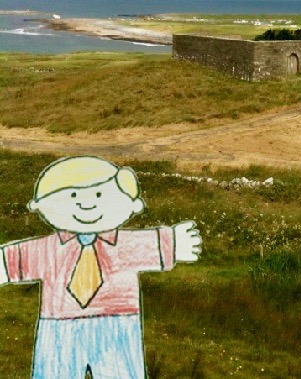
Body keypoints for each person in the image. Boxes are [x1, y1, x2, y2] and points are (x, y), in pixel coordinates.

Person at [0, 156, 202, 379]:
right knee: (54, 373)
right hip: (58, 328)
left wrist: (173, 242)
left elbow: (150, 245)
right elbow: (16, 259)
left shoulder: (125, 245)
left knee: (120, 373)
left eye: (98, 194)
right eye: (73, 195)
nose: (86, 204)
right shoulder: (48, 249)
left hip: (118, 325)